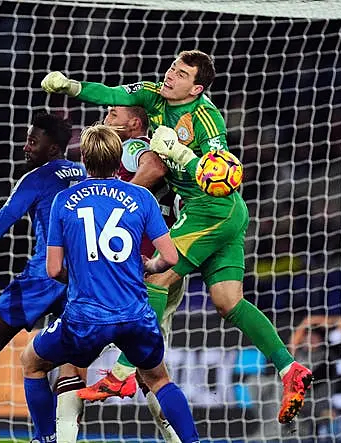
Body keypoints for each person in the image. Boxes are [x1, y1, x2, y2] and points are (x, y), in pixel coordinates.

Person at [41, 49, 313, 424]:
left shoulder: (207, 119)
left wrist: (184, 156)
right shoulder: (153, 95)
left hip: (211, 210)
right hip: (220, 217)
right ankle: (289, 369)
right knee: (227, 302)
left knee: (156, 275)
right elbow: (112, 95)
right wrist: (71, 87)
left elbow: (226, 175)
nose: (170, 76)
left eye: (181, 74)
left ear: (196, 87)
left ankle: (121, 374)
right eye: (172, 68)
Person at [20, 124, 200, 443]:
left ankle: (46, 438)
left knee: (32, 361)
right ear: (118, 158)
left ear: (85, 159)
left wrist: (80, 275)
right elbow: (170, 258)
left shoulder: (64, 200)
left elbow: (53, 270)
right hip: (135, 315)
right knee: (159, 379)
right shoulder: (141, 196)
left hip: (85, 318)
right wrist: (149, 265)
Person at [0, 111, 87, 443]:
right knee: (61, 363)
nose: (26, 147)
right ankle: (48, 436)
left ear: (53, 148)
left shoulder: (36, 178)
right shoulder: (84, 172)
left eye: (33, 141)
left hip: (43, 276)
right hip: (81, 279)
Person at [67, 106, 183, 443]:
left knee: (71, 358)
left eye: (113, 114)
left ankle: (66, 429)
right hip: (145, 268)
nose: (105, 118)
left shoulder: (135, 147)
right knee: (152, 371)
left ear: (134, 124)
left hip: (144, 268)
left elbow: (155, 165)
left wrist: (119, 200)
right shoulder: (118, 159)